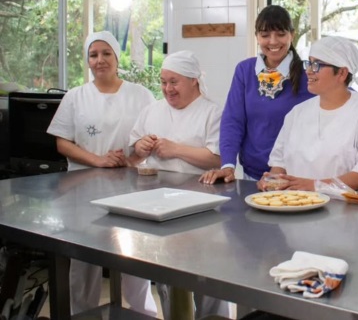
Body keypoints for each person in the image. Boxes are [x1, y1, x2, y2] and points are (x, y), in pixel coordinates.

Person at [46, 30, 158, 316]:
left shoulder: (140, 95)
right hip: (83, 188)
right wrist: (98, 161)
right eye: (93, 55)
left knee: (134, 257)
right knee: (84, 259)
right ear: (87, 60)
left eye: (106, 53)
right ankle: (83, 313)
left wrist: (131, 159)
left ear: (117, 57)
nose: (100, 60)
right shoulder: (76, 96)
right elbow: (62, 142)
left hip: (131, 190)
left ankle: (141, 313)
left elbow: (151, 136)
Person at [129, 50, 230, 319]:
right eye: (163, 82)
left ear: (194, 80)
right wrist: (141, 146)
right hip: (159, 204)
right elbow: (134, 151)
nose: (167, 89)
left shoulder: (213, 112)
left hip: (203, 205)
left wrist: (175, 149)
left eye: (174, 82)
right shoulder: (152, 110)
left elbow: (218, 158)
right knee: (168, 274)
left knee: (208, 274)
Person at [258, 36, 358, 192]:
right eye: (309, 63)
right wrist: (272, 181)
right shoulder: (297, 113)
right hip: (295, 203)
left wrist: (316, 186)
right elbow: (279, 163)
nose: (308, 71)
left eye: (317, 65)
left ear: (342, 73)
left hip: (344, 205)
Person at [200, 5, 313, 185]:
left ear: (292, 35)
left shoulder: (309, 73)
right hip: (252, 175)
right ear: (257, 37)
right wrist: (228, 165)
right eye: (265, 35)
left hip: (295, 177)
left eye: (280, 34)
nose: (273, 42)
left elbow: (342, 99)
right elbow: (233, 120)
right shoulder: (245, 70)